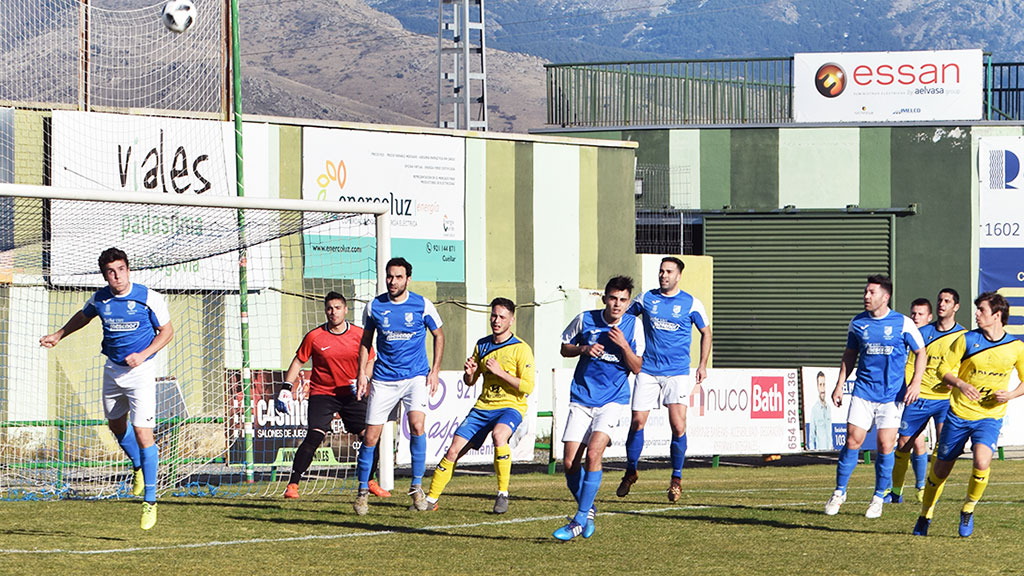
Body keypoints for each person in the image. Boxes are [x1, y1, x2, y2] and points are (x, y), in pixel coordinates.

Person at [40, 248, 173, 530]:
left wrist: (144, 354)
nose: (117, 276)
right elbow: (83, 316)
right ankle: (137, 465)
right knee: (115, 426)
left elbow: (167, 332)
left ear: (128, 269)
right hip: (112, 370)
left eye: (121, 269)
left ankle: (150, 501)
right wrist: (58, 335)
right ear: (105, 275)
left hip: (141, 372)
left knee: (142, 433)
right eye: (111, 272)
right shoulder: (101, 298)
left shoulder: (149, 297)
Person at [913, 292, 1024, 537]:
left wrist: (1011, 395)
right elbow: (943, 369)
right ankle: (925, 514)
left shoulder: (1015, 347)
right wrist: (961, 384)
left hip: (990, 416)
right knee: (941, 470)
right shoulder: (967, 339)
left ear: (997, 315)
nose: (976, 314)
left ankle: (968, 508)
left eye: (981, 310)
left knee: (982, 461)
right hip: (959, 414)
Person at [824, 274, 925, 519]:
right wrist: (840, 385)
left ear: (885, 296)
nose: (866, 296)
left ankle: (879, 496)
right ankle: (839, 492)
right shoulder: (858, 323)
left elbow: (921, 352)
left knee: (885, 445)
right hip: (863, 391)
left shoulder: (902, 323)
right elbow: (849, 355)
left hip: (892, 396)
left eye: (872, 292)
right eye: (866, 292)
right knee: (852, 441)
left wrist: (916, 382)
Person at [424, 297, 535, 514]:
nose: (496, 320)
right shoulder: (482, 345)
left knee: (498, 436)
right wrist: (470, 373)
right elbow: (471, 381)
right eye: (494, 315)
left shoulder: (521, 349)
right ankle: (430, 499)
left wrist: (501, 373)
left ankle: (502, 494)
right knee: (453, 450)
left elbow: (528, 387)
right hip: (483, 407)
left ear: (511, 320)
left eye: (502, 317)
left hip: (510, 406)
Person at [352, 257, 444, 515]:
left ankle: (416, 487)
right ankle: (361, 492)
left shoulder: (422, 305)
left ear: (408, 279)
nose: (393, 281)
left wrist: (434, 371)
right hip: (383, 379)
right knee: (371, 436)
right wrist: (362, 373)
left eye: (398, 277)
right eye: (389, 276)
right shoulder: (374, 307)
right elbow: (365, 342)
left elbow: (439, 335)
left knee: (417, 425)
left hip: (415, 376)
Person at [553, 276, 643, 541]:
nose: (617, 305)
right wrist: (583, 348)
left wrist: (624, 345)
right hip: (581, 398)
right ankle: (588, 509)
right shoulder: (585, 319)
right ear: (604, 298)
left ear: (628, 303)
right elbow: (564, 348)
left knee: (594, 454)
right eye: (613, 298)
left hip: (612, 401)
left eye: (623, 300)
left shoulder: (634, 326)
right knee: (569, 463)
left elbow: (637, 367)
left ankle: (579, 519)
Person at [276, 291, 389, 500]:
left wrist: (363, 377)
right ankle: (292, 485)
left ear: (346, 310)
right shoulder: (315, 336)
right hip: (323, 394)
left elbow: (371, 360)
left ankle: (369, 481)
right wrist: (286, 387)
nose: (333, 312)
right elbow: (298, 361)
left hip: (352, 394)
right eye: (329, 308)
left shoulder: (359, 334)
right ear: (325, 311)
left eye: (337, 308)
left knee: (370, 436)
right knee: (315, 435)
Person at [617, 257, 710, 502]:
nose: (663, 275)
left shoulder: (691, 303)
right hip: (647, 369)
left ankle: (676, 479)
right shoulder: (646, 298)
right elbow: (624, 318)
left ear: (678, 276)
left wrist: (702, 364)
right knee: (637, 421)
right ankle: (631, 470)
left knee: (678, 426)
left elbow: (706, 333)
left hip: (677, 372)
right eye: (661, 271)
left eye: (669, 271)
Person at [888, 291, 964, 504]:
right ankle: (896, 492)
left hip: (946, 400)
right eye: (940, 300)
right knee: (903, 444)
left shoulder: (962, 336)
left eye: (947, 301)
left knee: (944, 446)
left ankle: (928, 490)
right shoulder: (922, 332)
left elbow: (965, 367)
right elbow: (911, 362)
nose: (942, 304)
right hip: (921, 396)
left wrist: (955, 380)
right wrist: (912, 384)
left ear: (956, 307)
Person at [808, 371, 833, 450]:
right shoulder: (814, 409)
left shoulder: (828, 408)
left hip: (830, 450)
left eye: (824, 385)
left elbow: (830, 431)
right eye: (820, 385)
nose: (822, 388)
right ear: (817, 387)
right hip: (820, 451)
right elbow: (811, 435)